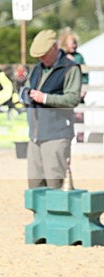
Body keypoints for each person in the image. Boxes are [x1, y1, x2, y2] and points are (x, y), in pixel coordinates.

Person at [20, 29, 82, 188]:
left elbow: (73, 98)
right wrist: (26, 94)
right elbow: (26, 87)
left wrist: (46, 98)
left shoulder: (70, 69)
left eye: (43, 54)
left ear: (54, 47)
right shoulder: (37, 69)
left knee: (56, 184)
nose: (40, 58)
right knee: (35, 186)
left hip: (57, 136)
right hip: (35, 136)